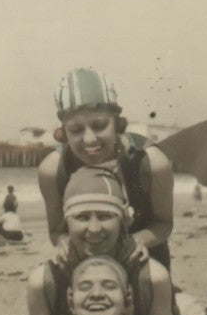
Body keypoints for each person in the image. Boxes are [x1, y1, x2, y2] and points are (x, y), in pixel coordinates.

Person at [26, 167, 174, 315]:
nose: (94, 229)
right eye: (82, 217)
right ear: (66, 223)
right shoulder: (45, 281)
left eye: (105, 216)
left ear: (122, 221)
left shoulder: (151, 278)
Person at [38, 68, 173, 269]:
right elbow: (56, 231)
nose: (89, 139)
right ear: (63, 132)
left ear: (117, 123)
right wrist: (63, 242)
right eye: (76, 130)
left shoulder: (151, 161)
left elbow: (164, 224)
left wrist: (137, 241)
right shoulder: (53, 169)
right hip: (85, 266)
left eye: (100, 125)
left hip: (142, 261)